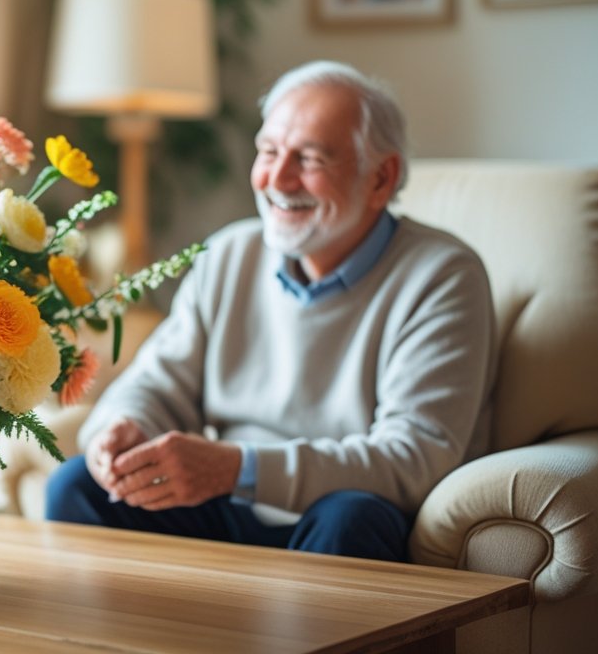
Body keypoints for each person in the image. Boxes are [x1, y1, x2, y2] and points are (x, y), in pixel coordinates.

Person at [46, 61, 496, 563]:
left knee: (352, 517)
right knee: (76, 485)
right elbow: (156, 382)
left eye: (309, 158)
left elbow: (413, 459)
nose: (277, 179)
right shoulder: (230, 254)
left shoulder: (442, 276)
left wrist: (240, 469)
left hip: (337, 515)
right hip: (226, 508)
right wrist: (119, 426)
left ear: (381, 179)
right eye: (269, 151)